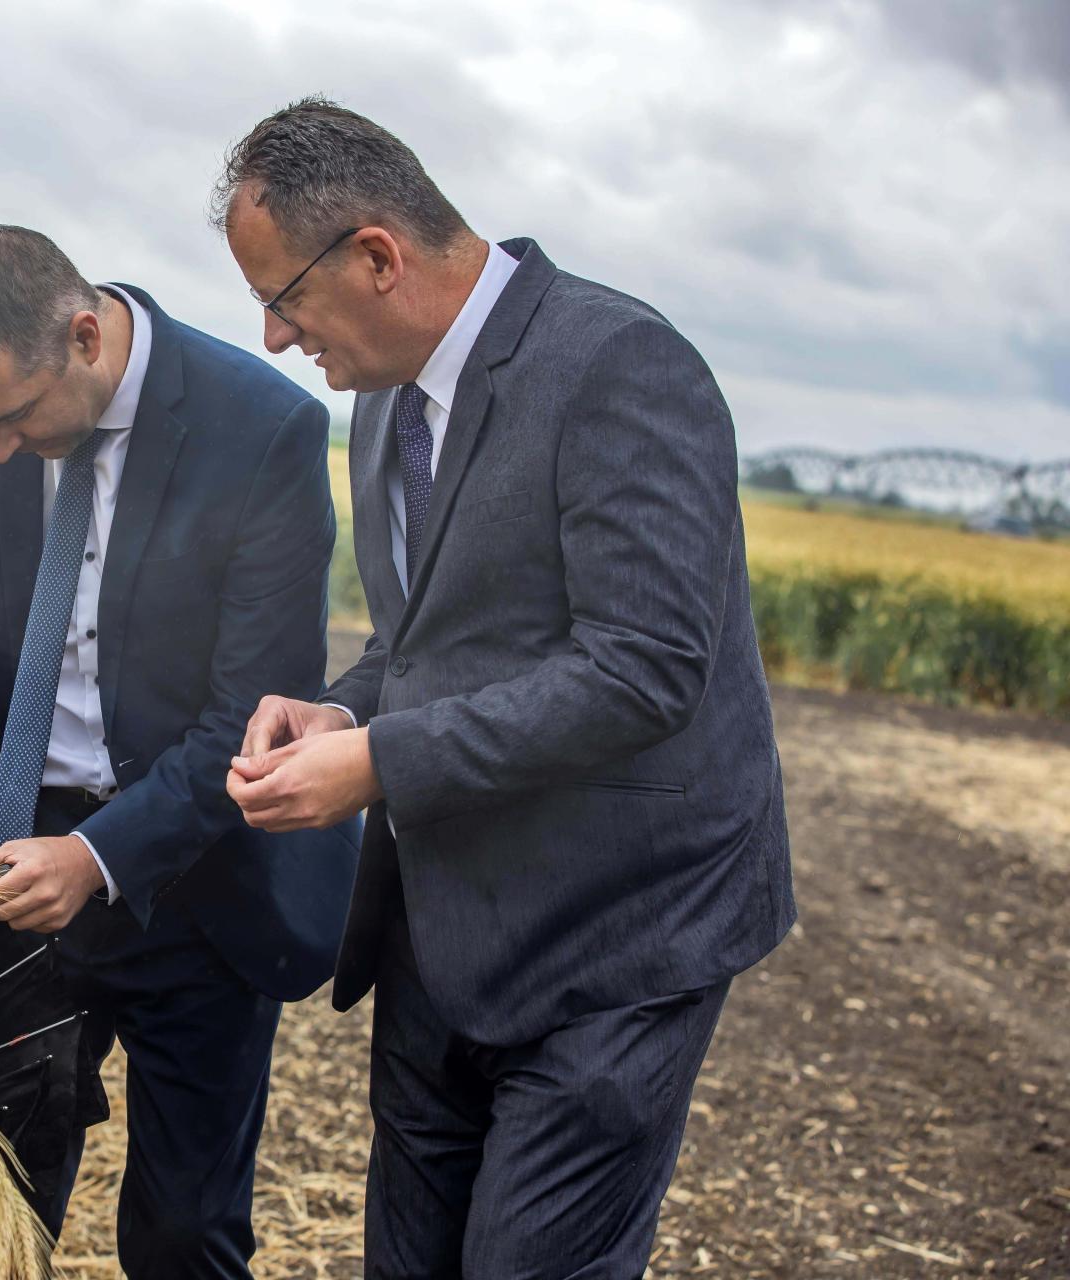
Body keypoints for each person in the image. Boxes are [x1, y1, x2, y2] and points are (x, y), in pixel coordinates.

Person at [216, 99, 795, 1277]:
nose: (276, 338)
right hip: (441, 926)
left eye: (284, 299)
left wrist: (377, 762)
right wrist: (344, 707)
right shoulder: (385, 394)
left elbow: (646, 666)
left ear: (376, 256)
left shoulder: (622, 364)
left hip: (618, 933)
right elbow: (430, 637)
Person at [0, 222, 359, 1277]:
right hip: (7, 860)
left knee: (187, 1232)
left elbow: (254, 711)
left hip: (203, 872)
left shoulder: (264, 429)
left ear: (86, 335)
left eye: (11, 419)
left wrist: (97, 857)